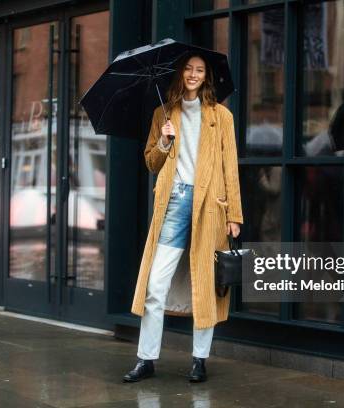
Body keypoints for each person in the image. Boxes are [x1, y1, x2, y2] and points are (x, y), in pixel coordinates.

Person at [123, 52, 243, 383]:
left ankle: (199, 360)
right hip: (175, 203)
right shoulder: (163, 114)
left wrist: (234, 214)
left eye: (199, 70)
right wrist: (163, 140)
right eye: (188, 68)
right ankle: (146, 359)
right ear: (180, 74)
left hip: (211, 204)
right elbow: (150, 162)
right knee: (155, 285)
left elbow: (230, 168)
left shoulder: (222, 117)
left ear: (206, 77)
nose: (193, 74)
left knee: (204, 286)